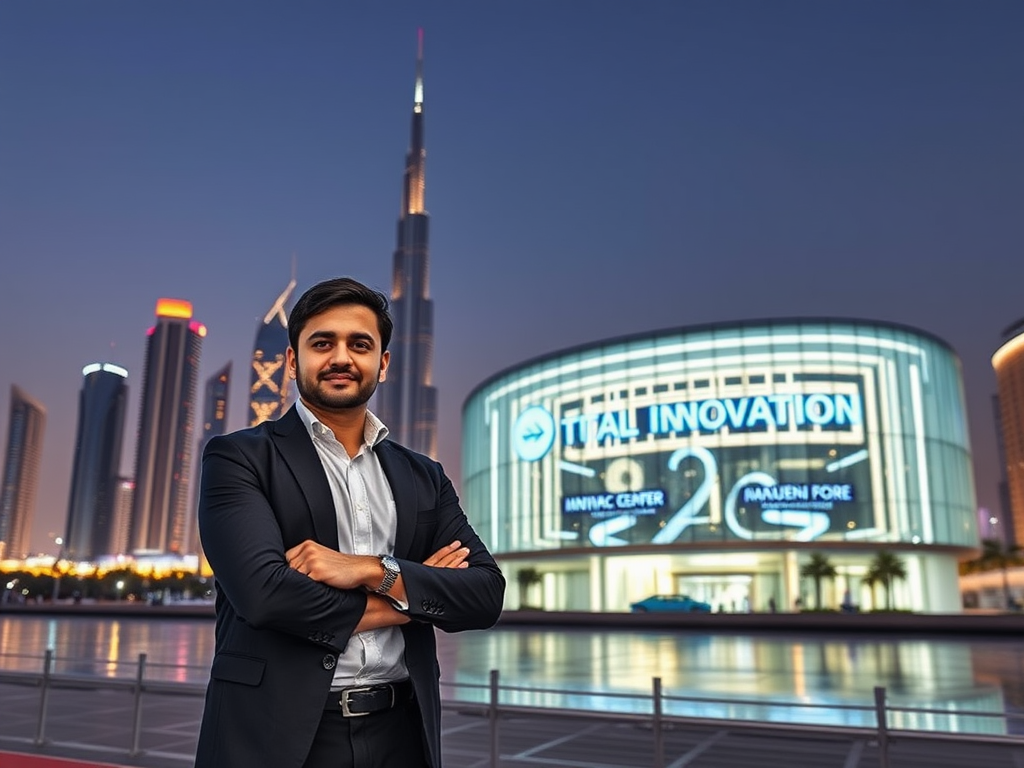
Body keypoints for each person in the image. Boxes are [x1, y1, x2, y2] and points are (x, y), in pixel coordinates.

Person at [195, 277, 506, 768]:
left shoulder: (424, 476)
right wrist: (417, 594)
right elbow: (266, 597)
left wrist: (370, 569)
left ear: (382, 363)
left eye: (360, 344)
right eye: (323, 343)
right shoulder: (239, 458)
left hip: (403, 733)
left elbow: (486, 594)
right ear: (293, 361)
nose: (341, 357)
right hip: (277, 737)